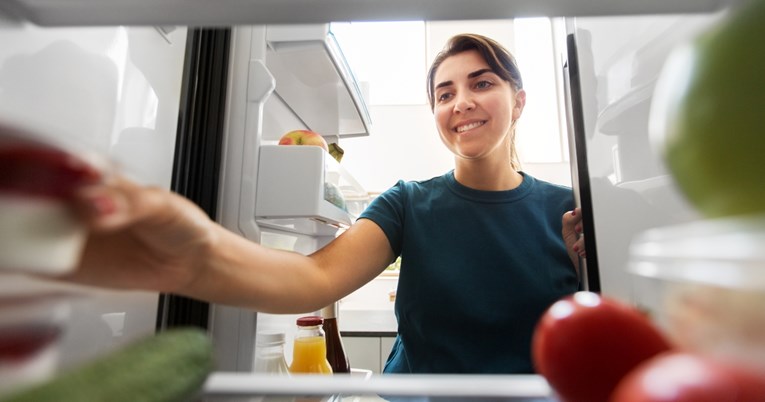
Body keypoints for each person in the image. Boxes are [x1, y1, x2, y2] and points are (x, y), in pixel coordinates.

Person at [63, 33, 585, 374]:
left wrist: (588, 271)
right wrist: (192, 251)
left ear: (518, 100)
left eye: (482, 83)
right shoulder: (407, 203)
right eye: (444, 94)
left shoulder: (567, 211)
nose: (461, 103)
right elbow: (311, 280)